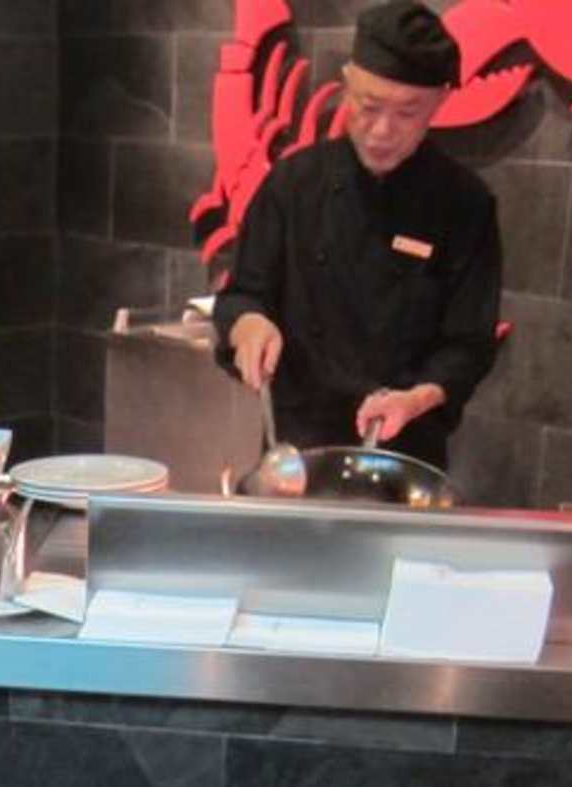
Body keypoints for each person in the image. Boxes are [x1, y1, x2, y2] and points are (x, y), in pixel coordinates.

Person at [212, 1, 500, 469]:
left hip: (405, 449)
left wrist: (418, 398)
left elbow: (469, 344)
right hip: (297, 451)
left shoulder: (465, 204)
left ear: (439, 103)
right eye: (369, 106)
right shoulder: (293, 184)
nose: (382, 131)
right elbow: (242, 294)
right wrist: (249, 323)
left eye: (408, 113)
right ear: (347, 83)